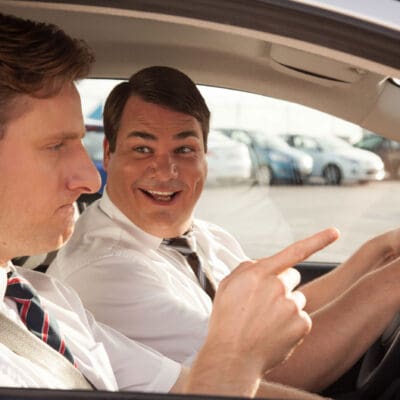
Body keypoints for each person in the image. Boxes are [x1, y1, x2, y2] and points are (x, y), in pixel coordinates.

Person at [0, 11, 339, 399]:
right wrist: (237, 360)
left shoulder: (46, 298)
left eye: (185, 149)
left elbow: (183, 386)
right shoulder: (96, 274)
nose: (91, 180)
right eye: (56, 146)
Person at [48, 64, 400, 394]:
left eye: (184, 149)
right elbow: (256, 372)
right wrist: (390, 283)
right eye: (142, 149)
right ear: (109, 154)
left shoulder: (205, 237)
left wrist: (378, 253)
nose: (166, 170)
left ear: (205, 156)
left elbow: (275, 323)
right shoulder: (105, 271)